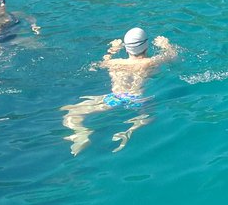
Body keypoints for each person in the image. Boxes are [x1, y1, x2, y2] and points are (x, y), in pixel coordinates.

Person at [61, 27, 177, 156]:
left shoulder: (113, 63)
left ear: (127, 48)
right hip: (136, 99)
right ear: (146, 45)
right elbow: (172, 56)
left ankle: (81, 133)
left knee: (71, 113)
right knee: (148, 115)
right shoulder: (149, 62)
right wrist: (165, 45)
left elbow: (101, 63)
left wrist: (113, 49)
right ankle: (131, 129)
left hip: (114, 97)